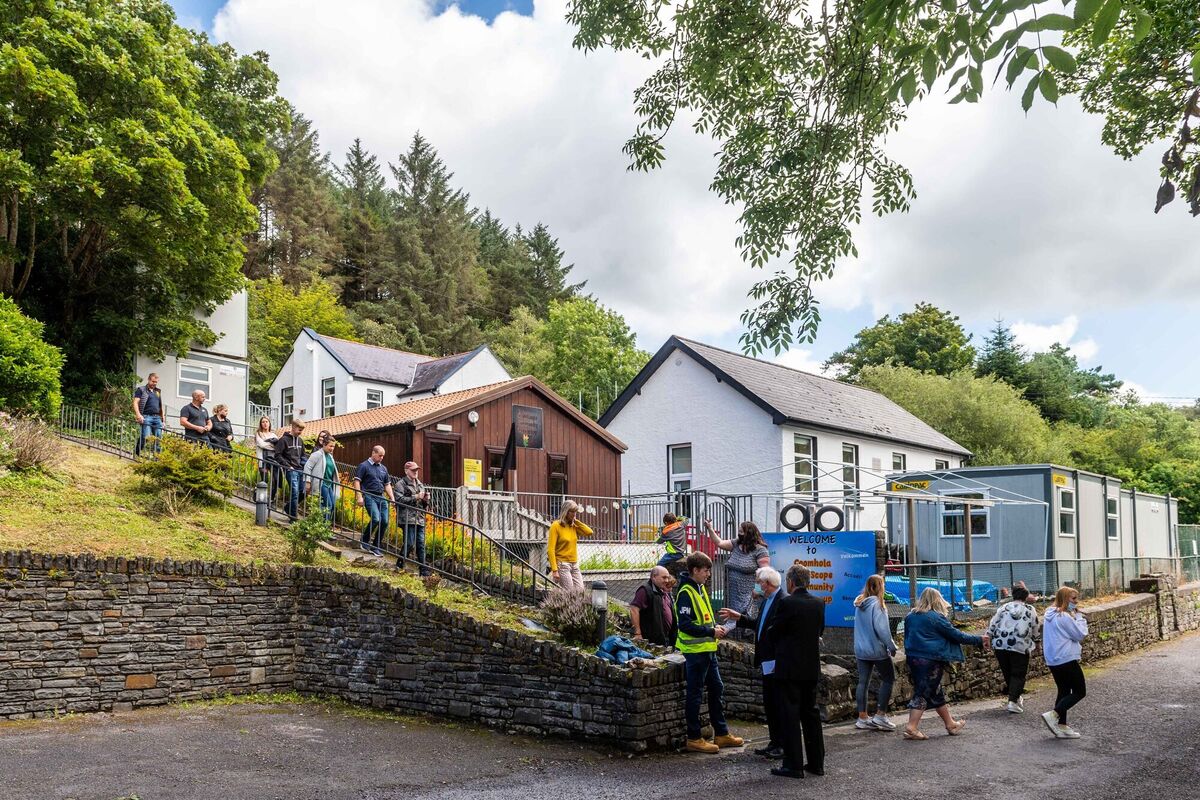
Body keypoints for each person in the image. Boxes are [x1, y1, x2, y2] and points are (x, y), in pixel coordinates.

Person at [674, 551, 744, 754]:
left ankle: (721, 734)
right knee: (695, 694)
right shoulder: (686, 592)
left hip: (707, 649)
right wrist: (711, 631)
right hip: (695, 652)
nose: (708, 575)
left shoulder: (699, 588)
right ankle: (694, 738)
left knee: (717, 688)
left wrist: (714, 627)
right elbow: (686, 625)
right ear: (695, 570)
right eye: (706, 571)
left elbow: (703, 618)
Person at [901, 587, 988, 741]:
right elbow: (957, 635)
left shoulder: (910, 616)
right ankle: (911, 727)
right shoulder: (936, 618)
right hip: (930, 660)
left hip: (913, 658)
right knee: (923, 692)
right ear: (937, 600)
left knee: (935, 691)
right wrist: (979, 639)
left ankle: (950, 724)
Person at [719, 566, 786, 759]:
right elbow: (759, 624)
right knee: (769, 703)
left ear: (767, 584)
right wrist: (738, 617)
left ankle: (781, 744)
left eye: (758, 581)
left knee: (777, 703)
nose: (756, 585)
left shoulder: (782, 601)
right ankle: (774, 742)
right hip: (766, 660)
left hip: (776, 661)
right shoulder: (767, 601)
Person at [768, 564, 825, 779]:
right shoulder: (819, 603)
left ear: (790, 582)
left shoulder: (786, 602)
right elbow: (820, 630)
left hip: (789, 667)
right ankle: (816, 763)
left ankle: (793, 765)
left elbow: (775, 631)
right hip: (810, 667)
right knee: (811, 715)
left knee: (790, 716)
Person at [704, 519, 771, 634]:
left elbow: (765, 573)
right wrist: (710, 528)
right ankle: (732, 635)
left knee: (745, 617)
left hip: (749, 592)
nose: (739, 534)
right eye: (739, 531)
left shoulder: (760, 550)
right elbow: (719, 543)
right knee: (732, 615)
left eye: (742, 532)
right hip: (733, 590)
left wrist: (758, 589)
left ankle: (744, 638)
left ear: (749, 534)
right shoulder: (736, 544)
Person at [1041, 586, 1088, 739]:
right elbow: (1080, 635)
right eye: (1073, 598)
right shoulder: (1064, 617)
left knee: (1064, 691)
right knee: (1080, 691)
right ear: (1065, 598)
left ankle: (1062, 725)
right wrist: (1080, 618)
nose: (1076, 602)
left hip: (1053, 659)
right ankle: (1054, 715)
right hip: (1066, 657)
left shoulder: (1050, 614)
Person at [853, 574, 898, 731]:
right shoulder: (878, 606)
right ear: (880, 587)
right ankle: (880, 715)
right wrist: (892, 647)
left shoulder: (860, 603)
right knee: (888, 678)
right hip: (877, 649)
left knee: (863, 682)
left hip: (861, 650)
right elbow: (883, 631)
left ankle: (862, 718)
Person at [987, 584, 1041, 713]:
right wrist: (1037, 643)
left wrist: (987, 636)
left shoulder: (1003, 608)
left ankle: (1015, 697)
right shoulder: (1030, 609)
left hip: (1000, 644)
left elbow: (993, 623)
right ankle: (1012, 701)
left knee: (1008, 672)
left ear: (1013, 595)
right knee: (1018, 673)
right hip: (1020, 645)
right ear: (1026, 596)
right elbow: (1035, 628)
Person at [352, 445, 395, 556]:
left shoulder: (383, 468)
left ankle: (376, 546)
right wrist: (359, 496)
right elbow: (357, 482)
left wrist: (392, 497)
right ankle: (365, 541)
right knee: (376, 519)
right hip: (369, 495)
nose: (381, 458)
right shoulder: (364, 466)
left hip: (381, 496)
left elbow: (387, 484)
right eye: (380, 455)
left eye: (383, 456)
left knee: (385, 521)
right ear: (373, 453)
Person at [547, 500, 594, 592]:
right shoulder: (555, 526)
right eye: (572, 512)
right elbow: (550, 549)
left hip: (574, 564)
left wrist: (576, 521)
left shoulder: (574, 526)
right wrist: (555, 570)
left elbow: (589, 532)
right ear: (566, 512)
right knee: (569, 591)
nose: (574, 514)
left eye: (575, 512)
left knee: (580, 591)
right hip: (562, 564)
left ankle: (570, 605)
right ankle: (563, 605)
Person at [397, 460, 431, 576]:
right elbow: (399, 500)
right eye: (413, 470)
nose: (415, 472)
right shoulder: (400, 484)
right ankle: (400, 563)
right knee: (410, 543)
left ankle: (424, 570)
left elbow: (423, 504)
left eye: (416, 470)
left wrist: (426, 500)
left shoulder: (420, 484)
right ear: (407, 471)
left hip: (419, 518)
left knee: (421, 544)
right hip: (407, 517)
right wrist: (415, 497)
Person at [629, 565, 675, 647]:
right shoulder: (645, 590)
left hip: (665, 639)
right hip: (652, 641)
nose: (667, 580)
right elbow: (634, 609)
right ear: (654, 577)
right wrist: (638, 633)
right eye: (664, 578)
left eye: (667, 578)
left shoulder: (663, 591)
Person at [274, 420, 308, 519]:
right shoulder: (283, 440)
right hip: (290, 470)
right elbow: (278, 455)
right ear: (293, 427)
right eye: (299, 429)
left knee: (303, 491)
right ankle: (293, 517)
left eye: (302, 430)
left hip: (300, 470)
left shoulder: (300, 441)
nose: (300, 432)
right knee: (294, 492)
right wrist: (288, 466)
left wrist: (304, 466)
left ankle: (288, 508)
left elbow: (303, 456)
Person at [304, 436, 339, 520]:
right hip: (321, 483)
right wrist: (307, 482)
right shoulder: (317, 454)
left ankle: (324, 524)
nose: (332, 448)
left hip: (329, 483)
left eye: (333, 446)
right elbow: (307, 467)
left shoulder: (330, 456)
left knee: (332, 505)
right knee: (328, 505)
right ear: (324, 444)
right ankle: (324, 526)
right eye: (330, 446)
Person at [132, 373, 163, 456]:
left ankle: (157, 457)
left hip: (157, 418)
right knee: (146, 436)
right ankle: (137, 452)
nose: (154, 383)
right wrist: (138, 415)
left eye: (156, 382)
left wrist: (162, 418)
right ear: (149, 380)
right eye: (153, 381)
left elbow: (159, 405)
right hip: (146, 416)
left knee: (159, 437)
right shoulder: (141, 390)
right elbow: (135, 402)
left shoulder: (158, 391)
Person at [254, 416, 280, 502]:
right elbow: (261, 445)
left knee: (275, 480)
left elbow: (278, 447)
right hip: (263, 459)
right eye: (263, 422)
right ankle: (258, 494)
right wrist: (272, 444)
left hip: (273, 459)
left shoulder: (273, 435)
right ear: (261, 424)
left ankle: (271, 498)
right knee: (265, 479)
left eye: (266, 422)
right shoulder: (258, 433)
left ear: (269, 423)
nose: (265, 423)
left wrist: (269, 444)